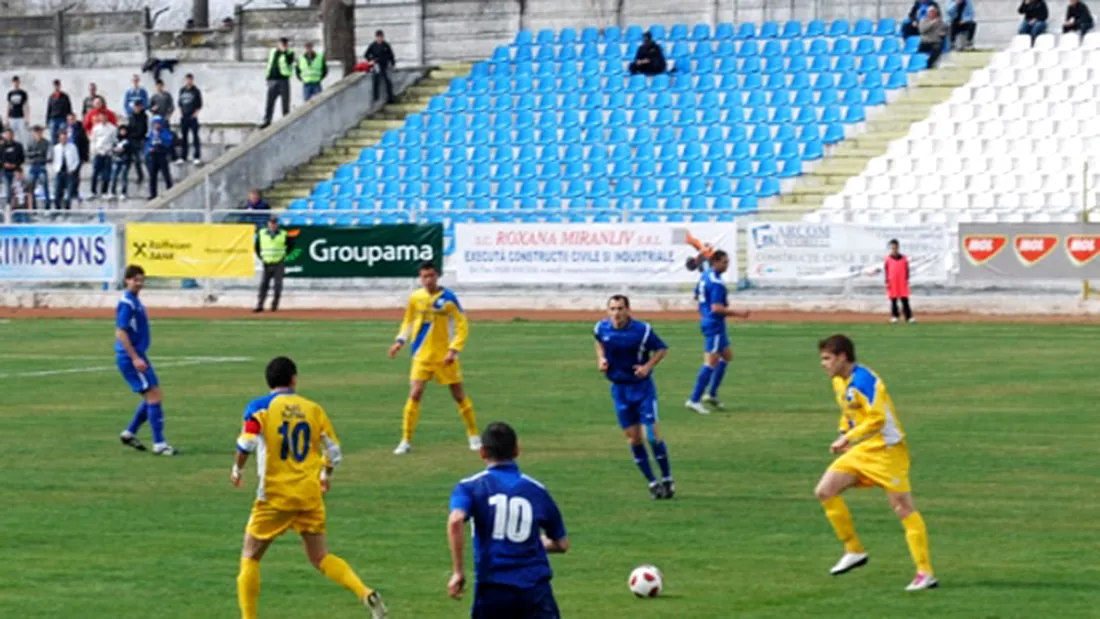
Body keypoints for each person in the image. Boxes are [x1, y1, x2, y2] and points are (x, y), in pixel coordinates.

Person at [232, 356, 388, 619]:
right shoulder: (313, 409)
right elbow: (334, 451)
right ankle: (365, 593)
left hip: (275, 497)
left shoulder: (259, 407)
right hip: (309, 495)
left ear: (268, 381)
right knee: (320, 557)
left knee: (250, 556)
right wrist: (326, 474)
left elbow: (246, 442)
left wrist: (237, 468)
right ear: (294, 380)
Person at [814, 335, 937, 591]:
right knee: (825, 490)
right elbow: (849, 413)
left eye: (827, 358)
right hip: (864, 449)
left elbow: (877, 419)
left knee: (902, 508)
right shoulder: (839, 382)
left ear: (842, 357)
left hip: (888, 450)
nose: (823, 364)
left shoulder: (864, 380)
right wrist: (843, 435)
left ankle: (925, 573)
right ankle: (854, 550)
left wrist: (849, 437)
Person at [447, 421, 569, 618]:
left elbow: (455, 520)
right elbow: (562, 544)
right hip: (535, 591)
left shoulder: (470, 487)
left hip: (494, 589)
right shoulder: (536, 490)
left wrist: (458, 572)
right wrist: (531, 543)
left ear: (483, 453)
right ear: (517, 450)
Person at [388, 261, 480, 455]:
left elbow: (462, 325)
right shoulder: (416, 298)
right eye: (424, 277)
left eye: (431, 276)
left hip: (444, 356)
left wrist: (454, 350)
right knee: (414, 394)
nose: (428, 280)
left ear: (437, 276)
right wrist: (400, 341)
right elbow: (409, 321)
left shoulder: (448, 299)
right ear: (420, 278)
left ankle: (473, 435)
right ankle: (406, 440)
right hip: (421, 355)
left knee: (458, 395)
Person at [593, 294, 674, 499]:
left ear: (628, 310)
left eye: (620, 309)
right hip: (619, 390)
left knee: (653, 437)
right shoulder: (601, 328)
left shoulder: (642, 330)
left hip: (642, 389)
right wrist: (601, 359)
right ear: (607, 311)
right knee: (634, 440)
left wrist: (647, 367)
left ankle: (667, 478)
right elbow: (599, 342)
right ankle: (652, 482)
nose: (616, 313)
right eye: (612, 309)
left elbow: (661, 348)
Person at [116, 265, 177, 456]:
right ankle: (159, 444)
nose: (139, 284)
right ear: (127, 280)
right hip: (131, 357)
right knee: (154, 397)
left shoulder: (134, 300)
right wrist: (134, 358)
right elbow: (120, 332)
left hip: (139, 354)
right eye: (135, 280)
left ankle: (129, 433)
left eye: (141, 280)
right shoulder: (127, 303)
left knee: (154, 395)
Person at [685, 250, 749, 415]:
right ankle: (694, 399)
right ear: (716, 262)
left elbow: (696, 297)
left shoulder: (706, 275)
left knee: (727, 356)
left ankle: (711, 394)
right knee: (710, 362)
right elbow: (716, 307)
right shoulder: (717, 283)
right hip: (714, 324)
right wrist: (738, 313)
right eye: (724, 262)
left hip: (713, 323)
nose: (727, 265)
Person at [254, 216, 294, 313]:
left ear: (277, 224)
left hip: (278, 262)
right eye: (271, 223)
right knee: (263, 285)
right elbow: (257, 247)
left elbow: (291, 245)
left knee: (277, 285)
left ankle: (274, 305)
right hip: (266, 262)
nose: (273, 225)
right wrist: (262, 257)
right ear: (268, 224)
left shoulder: (284, 234)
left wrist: (284, 255)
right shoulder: (262, 233)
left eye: (274, 223)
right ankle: (260, 305)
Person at [262, 37, 294, 128]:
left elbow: (289, 61)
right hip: (272, 79)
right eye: (281, 44)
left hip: (283, 80)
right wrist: (268, 77)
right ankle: (267, 120)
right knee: (269, 102)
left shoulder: (289, 53)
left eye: (284, 44)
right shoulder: (273, 52)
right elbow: (270, 64)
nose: (282, 45)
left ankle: (286, 121)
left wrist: (284, 52)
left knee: (285, 102)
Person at [884, 239, 915, 323]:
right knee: (893, 300)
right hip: (892, 282)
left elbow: (907, 270)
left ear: (898, 247)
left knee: (905, 299)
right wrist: (887, 281)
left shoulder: (904, 258)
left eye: (896, 247)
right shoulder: (888, 259)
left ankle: (908, 317)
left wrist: (907, 280)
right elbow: (886, 271)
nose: (894, 249)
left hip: (902, 282)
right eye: (892, 248)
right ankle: (895, 316)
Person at [89, 114, 117, 199]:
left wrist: (111, 150)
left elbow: (114, 140)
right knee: (95, 173)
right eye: (101, 117)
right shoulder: (96, 128)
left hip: (108, 153)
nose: (103, 119)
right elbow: (93, 140)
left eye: (104, 117)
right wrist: (94, 151)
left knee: (107, 174)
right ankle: (93, 191)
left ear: (107, 118)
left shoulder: (112, 128)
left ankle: (104, 191)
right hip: (98, 153)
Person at [51, 126, 79, 210]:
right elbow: (54, 160)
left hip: (69, 173)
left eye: (65, 138)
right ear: (59, 138)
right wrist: (56, 169)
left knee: (68, 195)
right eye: (62, 138)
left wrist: (72, 169)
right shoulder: (56, 148)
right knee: (57, 193)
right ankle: (57, 210)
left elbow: (76, 160)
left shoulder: (72, 147)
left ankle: (67, 210)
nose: (63, 140)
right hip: (59, 172)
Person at [145, 115, 173, 199]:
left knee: (166, 174)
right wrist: (149, 150)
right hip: (153, 156)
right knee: (152, 176)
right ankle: (153, 194)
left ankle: (170, 191)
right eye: (155, 124)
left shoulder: (165, 132)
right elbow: (148, 144)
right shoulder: (151, 133)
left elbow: (168, 142)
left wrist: (160, 140)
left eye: (158, 124)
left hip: (162, 155)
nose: (157, 125)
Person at [177, 73, 203, 164]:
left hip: (192, 117)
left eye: (190, 80)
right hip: (184, 117)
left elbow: (199, 104)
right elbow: (179, 103)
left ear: (192, 80)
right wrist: (181, 113)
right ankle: (183, 157)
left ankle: (196, 156)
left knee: (195, 137)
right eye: (187, 80)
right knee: (184, 137)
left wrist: (195, 114)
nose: (188, 81)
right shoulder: (182, 90)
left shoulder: (196, 91)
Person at [365, 30, 396, 104]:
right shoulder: (373, 45)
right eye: (379, 37)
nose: (380, 39)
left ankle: (390, 98)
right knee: (376, 80)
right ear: (376, 37)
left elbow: (391, 55)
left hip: (384, 65)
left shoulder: (386, 45)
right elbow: (366, 54)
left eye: (381, 37)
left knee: (388, 81)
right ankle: (376, 97)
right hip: (376, 65)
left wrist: (392, 64)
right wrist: (371, 60)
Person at [24, 124, 49, 210]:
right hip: (33, 166)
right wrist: (37, 153)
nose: (38, 134)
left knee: (45, 186)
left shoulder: (46, 143)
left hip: (41, 166)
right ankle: (33, 208)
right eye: (36, 133)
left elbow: (47, 156)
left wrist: (35, 155)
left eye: (40, 132)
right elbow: (27, 155)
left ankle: (47, 207)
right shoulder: (30, 142)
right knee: (30, 188)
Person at [0, 128, 25, 205]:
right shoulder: (1, 147)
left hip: (17, 172)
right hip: (5, 172)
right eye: (7, 134)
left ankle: (20, 208)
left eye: (10, 134)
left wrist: (15, 165)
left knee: (19, 193)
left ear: (13, 135)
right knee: (8, 191)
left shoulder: (19, 146)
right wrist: (4, 164)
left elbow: (22, 158)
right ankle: (8, 207)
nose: (9, 136)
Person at [127, 100, 149, 186]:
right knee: (136, 160)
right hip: (132, 140)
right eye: (135, 106)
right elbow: (129, 128)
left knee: (142, 159)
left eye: (138, 106)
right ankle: (140, 176)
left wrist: (134, 135)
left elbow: (143, 130)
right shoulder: (131, 116)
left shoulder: (144, 116)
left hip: (141, 140)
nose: (137, 108)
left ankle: (146, 175)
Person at [109, 124, 133, 199]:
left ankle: (123, 192)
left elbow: (130, 150)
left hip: (126, 160)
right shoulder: (116, 139)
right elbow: (112, 148)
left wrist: (123, 150)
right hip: (116, 159)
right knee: (114, 176)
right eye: (121, 130)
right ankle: (112, 192)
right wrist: (115, 150)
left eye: (124, 130)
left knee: (124, 177)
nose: (122, 132)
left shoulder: (129, 139)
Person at [45, 79, 72, 145]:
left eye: (58, 85)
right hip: (53, 120)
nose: (56, 87)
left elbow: (69, 108)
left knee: (63, 136)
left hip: (63, 119)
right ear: (53, 86)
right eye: (55, 85)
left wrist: (69, 120)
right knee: (53, 138)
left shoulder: (65, 96)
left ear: (60, 86)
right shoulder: (51, 97)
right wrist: (47, 121)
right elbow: (49, 109)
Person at [7, 76, 29, 146]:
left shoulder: (23, 93)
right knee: (11, 134)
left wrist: (26, 118)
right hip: (12, 117)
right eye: (14, 82)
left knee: (22, 135)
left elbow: (26, 106)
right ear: (13, 83)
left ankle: (24, 149)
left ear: (19, 82)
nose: (16, 83)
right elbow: (9, 106)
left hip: (21, 117)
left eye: (17, 81)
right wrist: (7, 119)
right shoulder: (10, 93)